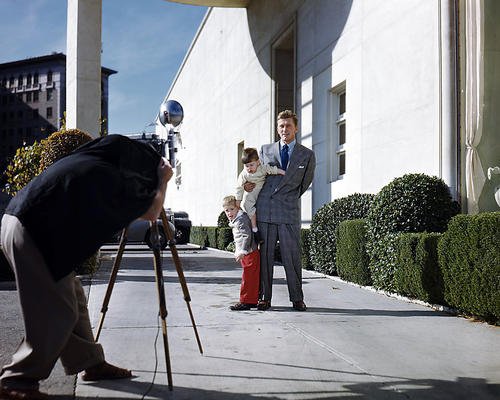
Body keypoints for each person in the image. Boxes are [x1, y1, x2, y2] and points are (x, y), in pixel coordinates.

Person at [0, 134, 173, 400]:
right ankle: (17, 381)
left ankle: (90, 364)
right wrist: (162, 179)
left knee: (75, 298)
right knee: (58, 311)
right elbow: (151, 212)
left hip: (25, 225)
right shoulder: (108, 175)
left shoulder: (92, 160)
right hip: (33, 231)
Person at [246, 110, 315, 312]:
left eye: (288, 126)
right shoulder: (265, 150)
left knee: (292, 256)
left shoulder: (307, 155)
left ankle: (297, 298)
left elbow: (304, 184)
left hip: (289, 211)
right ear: (277, 129)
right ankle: (264, 298)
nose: (285, 129)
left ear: (296, 128)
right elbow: (255, 175)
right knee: (265, 257)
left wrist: (288, 197)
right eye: (281, 126)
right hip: (266, 209)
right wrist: (247, 186)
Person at [235, 148, 285, 244]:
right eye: (246, 166)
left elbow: (272, 170)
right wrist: (238, 203)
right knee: (246, 204)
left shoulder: (262, 168)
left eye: (251, 165)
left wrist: (283, 172)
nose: (249, 168)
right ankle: (254, 228)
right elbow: (239, 188)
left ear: (258, 162)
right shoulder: (244, 174)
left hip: (263, 190)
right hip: (252, 192)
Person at [222, 195, 260, 311]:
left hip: (249, 253)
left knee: (248, 278)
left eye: (232, 209)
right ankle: (252, 300)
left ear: (238, 208)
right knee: (251, 277)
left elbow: (246, 236)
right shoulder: (237, 219)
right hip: (248, 253)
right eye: (226, 210)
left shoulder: (241, 219)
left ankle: (245, 301)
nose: (229, 213)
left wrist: (242, 251)